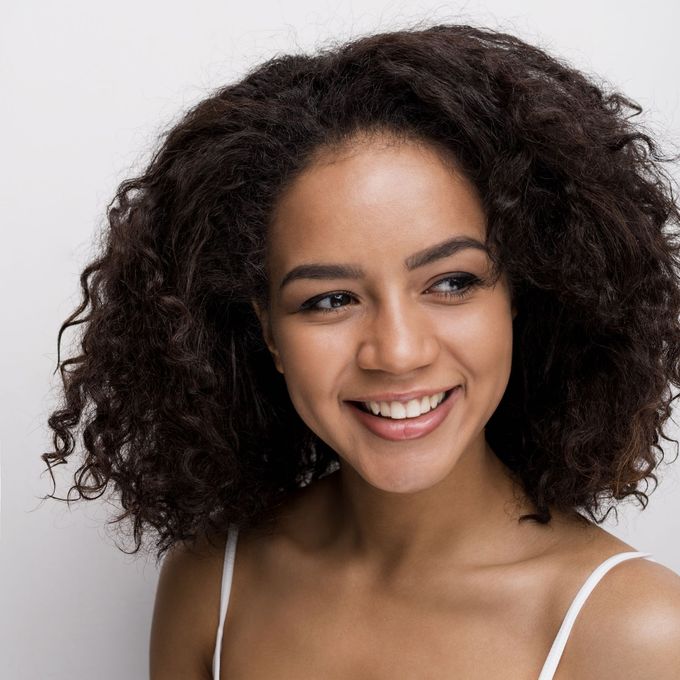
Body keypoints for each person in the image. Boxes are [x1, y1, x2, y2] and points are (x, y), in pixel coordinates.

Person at [43, 23, 680, 679]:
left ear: (517, 296)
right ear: (267, 330)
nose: (397, 352)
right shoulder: (215, 579)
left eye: (451, 283)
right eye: (330, 300)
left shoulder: (633, 633)